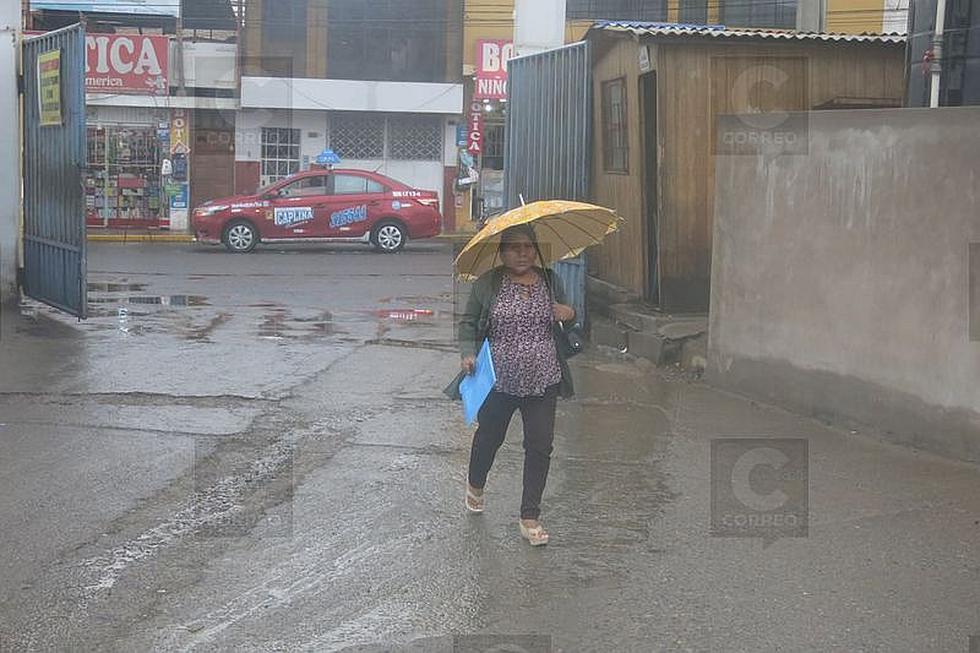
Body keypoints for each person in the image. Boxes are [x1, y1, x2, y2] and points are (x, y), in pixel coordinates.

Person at [444, 224, 576, 546]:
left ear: (536, 249)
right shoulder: (489, 284)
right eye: (514, 248)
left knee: (540, 445)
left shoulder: (550, 280)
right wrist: (468, 354)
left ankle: (529, 516)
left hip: (543, 379)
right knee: (490, 438)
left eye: (528, 247)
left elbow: (574, 319)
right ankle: (476, 483)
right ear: (502, 253)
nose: (522, 254)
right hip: (498, 382)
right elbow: (468, 325)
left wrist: (568, 312)